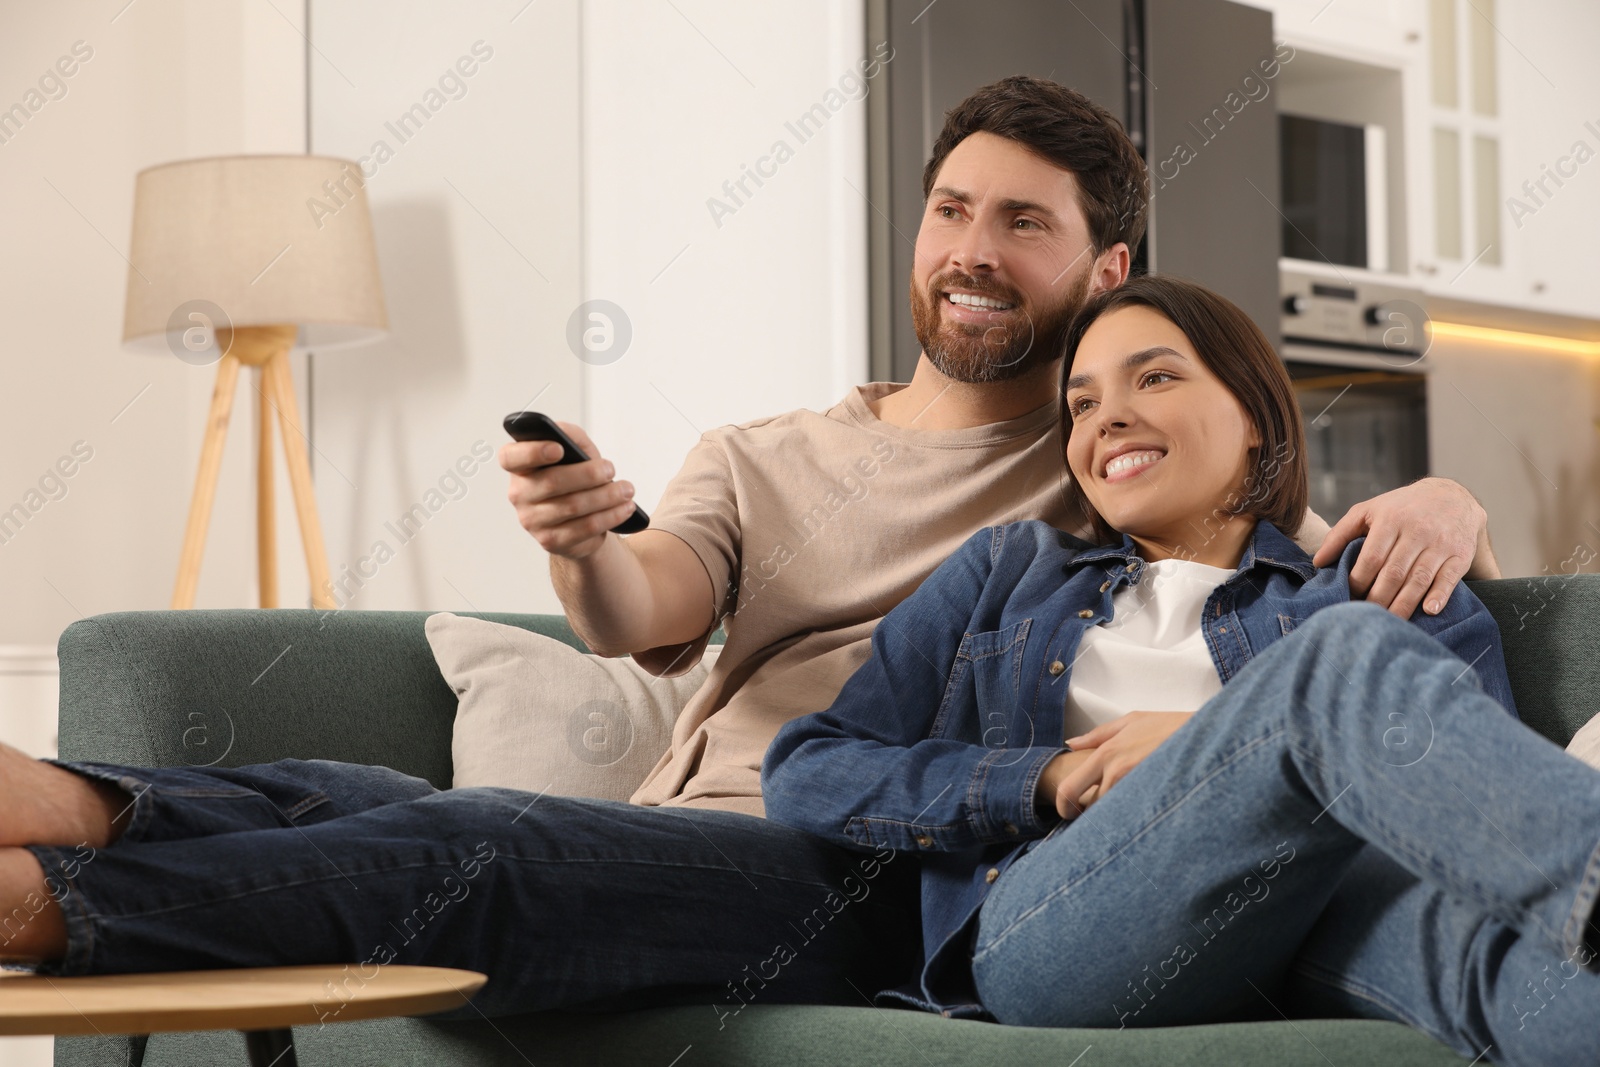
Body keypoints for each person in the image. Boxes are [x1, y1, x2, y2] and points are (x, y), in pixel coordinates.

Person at [0, 78, 1500, 1018]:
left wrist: (1446, 499)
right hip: (685, 816)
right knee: (347, 793)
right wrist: (585, 541)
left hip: (855, 870)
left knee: (482, 844)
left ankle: (41, 912)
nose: (972, 247)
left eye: (1022, 224)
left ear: (1104, 268)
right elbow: (640, 606)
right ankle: (54, 801)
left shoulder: (1115, 461)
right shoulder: (766, 451)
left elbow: (1295, 559)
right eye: (950, 210)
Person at [760, 274, 1600, 1067]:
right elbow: (810, 770)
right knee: (1336, 659)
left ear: (1257, 418)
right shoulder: (1007, 571)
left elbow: (1471, 806)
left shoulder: (1380, 583)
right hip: (1061, 929)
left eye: (1153, 380)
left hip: (1321, 914)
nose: (1106, 419)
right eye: (1082, 404)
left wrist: (1211, 746)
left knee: (1517, 976)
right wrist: (1052, 776)